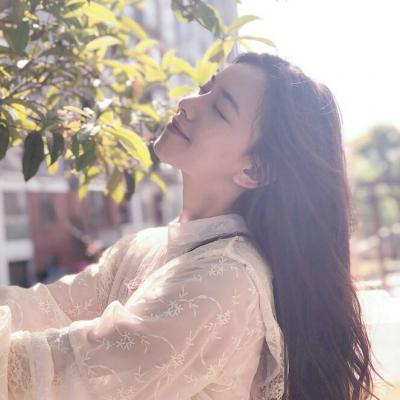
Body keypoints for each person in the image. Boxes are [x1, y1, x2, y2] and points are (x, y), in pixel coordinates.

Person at [0, 52, 386, 400]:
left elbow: (58, 375)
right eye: (204, 89)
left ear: (253, 170)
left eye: (220, 109)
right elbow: (42, 307)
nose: (187, 103)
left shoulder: (224, 281)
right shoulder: (146, 245)